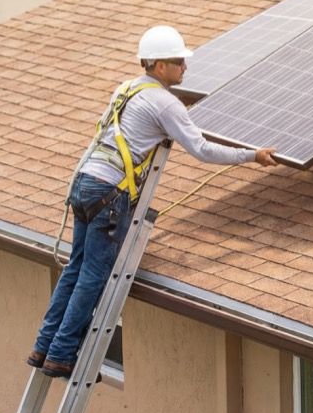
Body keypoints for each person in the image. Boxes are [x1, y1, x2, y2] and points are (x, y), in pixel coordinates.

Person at [28, 26, 277, 378]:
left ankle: (45, 347)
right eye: (178, 62)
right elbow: (202, 149)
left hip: (85, 182)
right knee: (94, 275)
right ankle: (63, 354)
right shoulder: (164, 103)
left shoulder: (127, 88)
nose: (184, 69)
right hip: (110, 192)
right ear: (159, 66)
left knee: (76, 267)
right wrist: (252, 156)